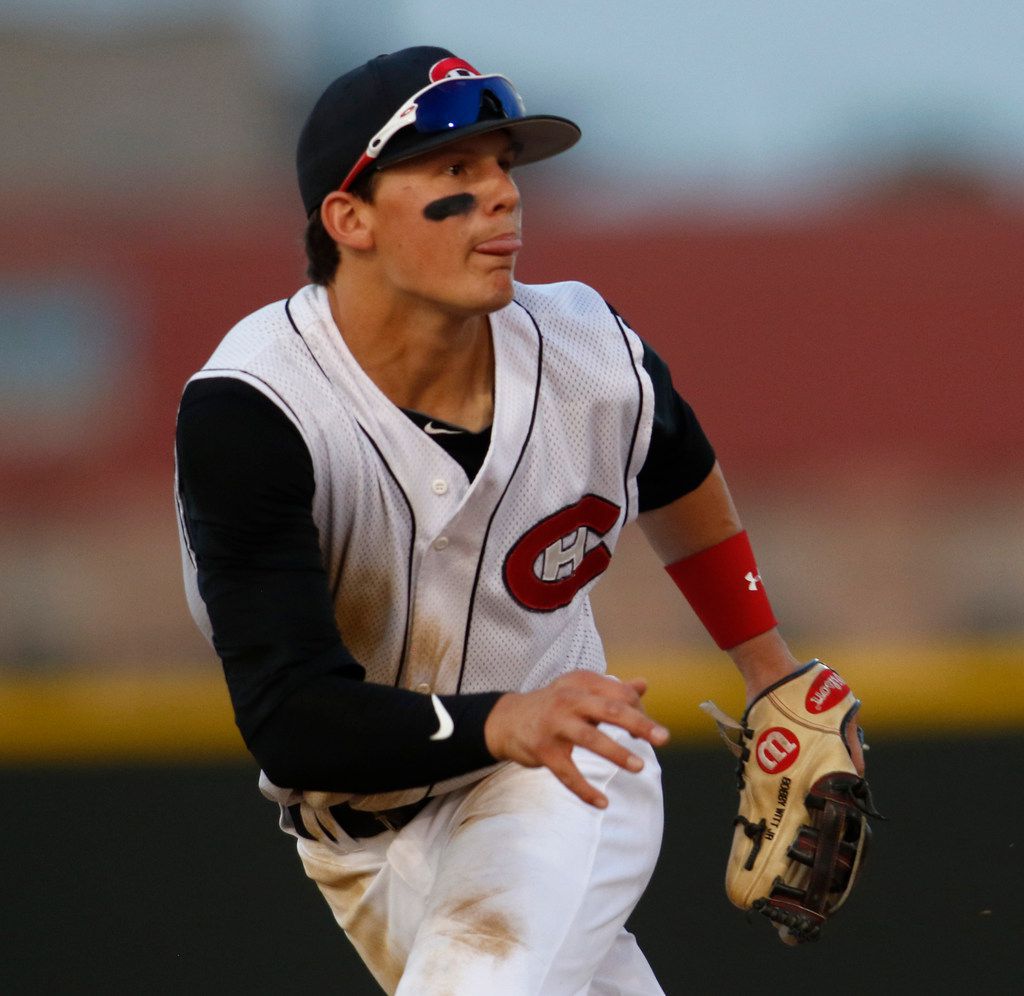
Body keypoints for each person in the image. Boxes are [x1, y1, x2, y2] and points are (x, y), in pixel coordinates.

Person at [175, 46, 863, 994]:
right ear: (351, 218)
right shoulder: (255, 413)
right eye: (456, 170)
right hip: (358, 844)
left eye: (504, 165)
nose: (501, 193)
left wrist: (768, 665)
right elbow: (291, 721)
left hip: (566, 772)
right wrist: (502, 719)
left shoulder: (584, 348)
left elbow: (677, 470)